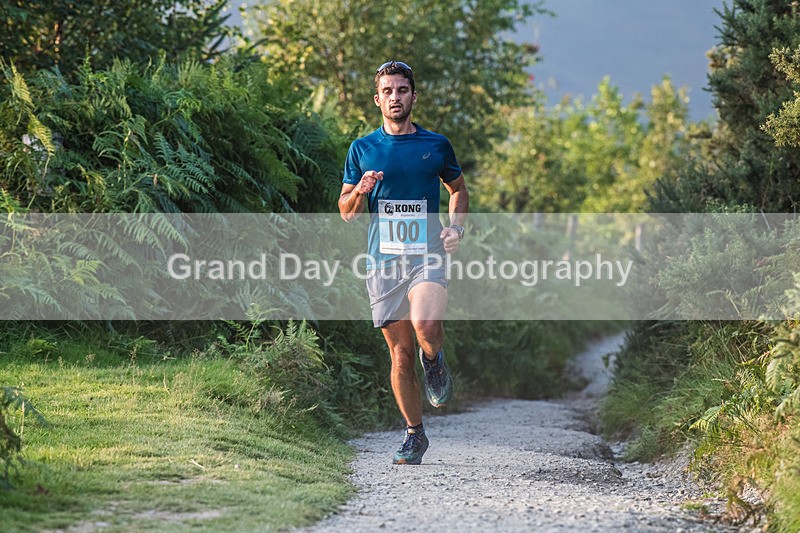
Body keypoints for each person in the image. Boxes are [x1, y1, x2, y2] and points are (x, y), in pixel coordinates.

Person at [338, 61, 469, 465]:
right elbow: (346, 212)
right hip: (383, 262)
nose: (395, 97)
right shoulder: (362, 149)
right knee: (400, 356)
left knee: (426, 327)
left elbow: (458, 189)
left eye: (402, 90)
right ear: (378, 100)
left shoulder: (436, 145)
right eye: (388, 91)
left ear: (414, 96)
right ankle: (415, 434)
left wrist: (456, 229)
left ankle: (436, 360)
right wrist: (360, 190)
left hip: (427, 255)